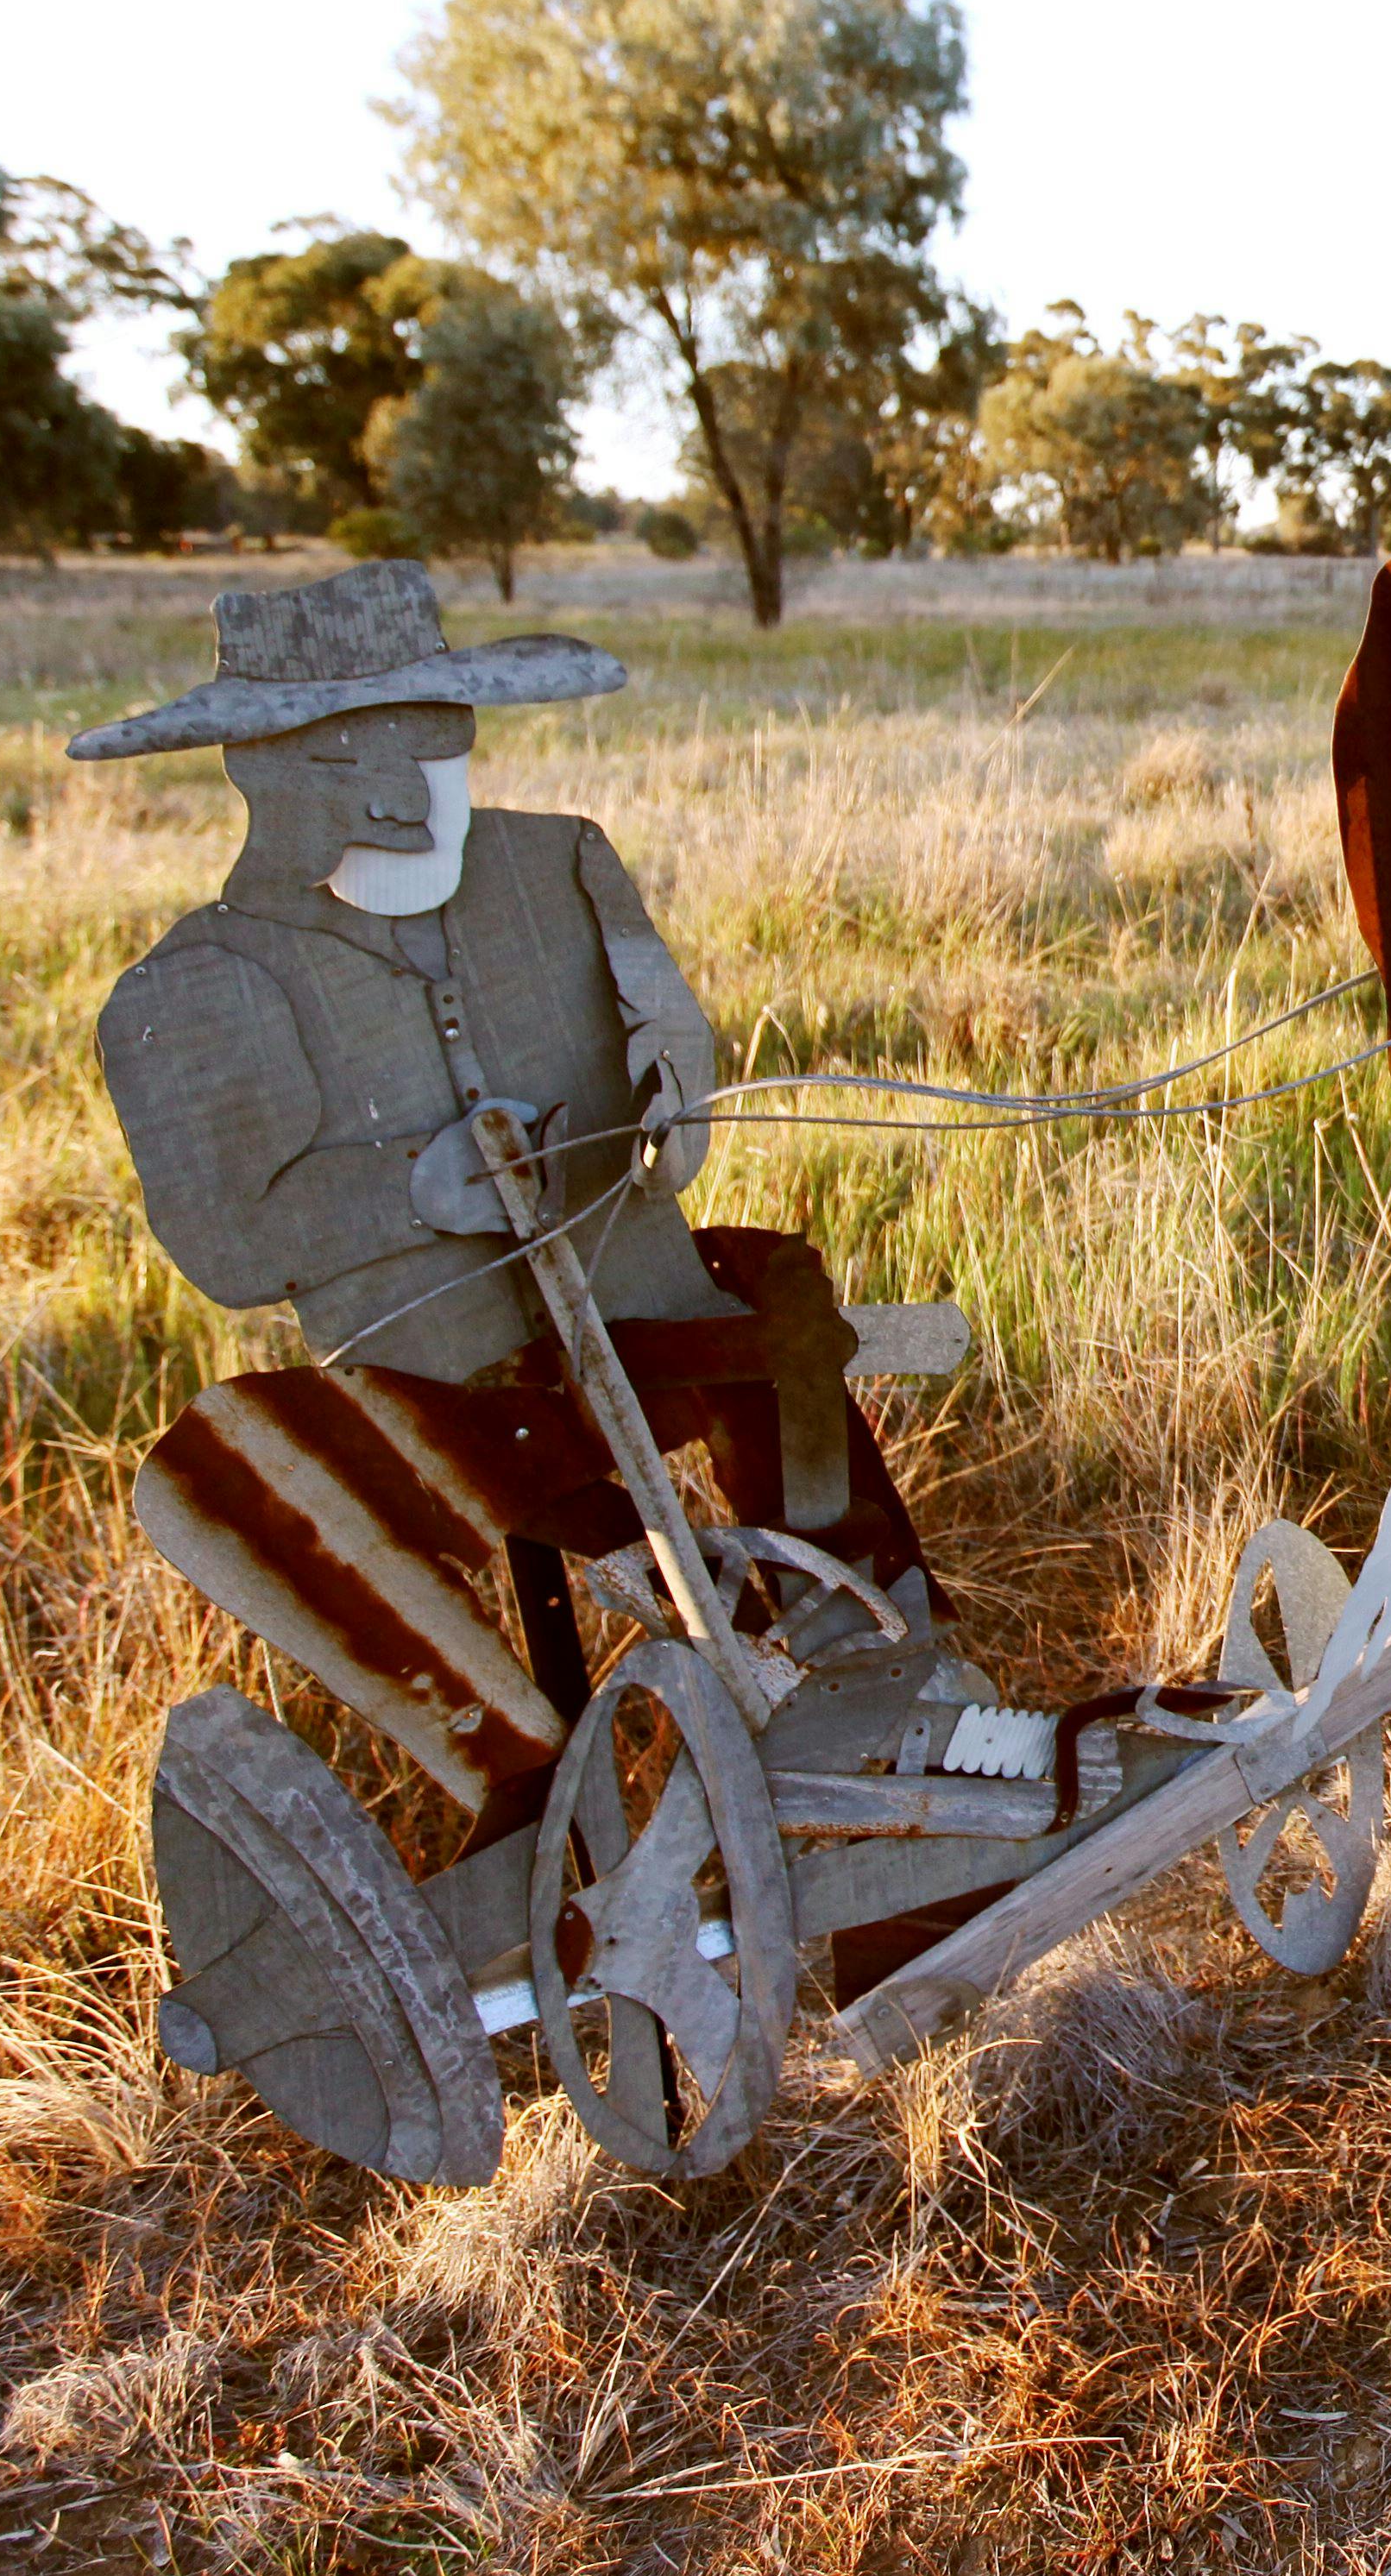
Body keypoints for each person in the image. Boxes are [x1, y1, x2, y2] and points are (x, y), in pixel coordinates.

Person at [71, 563, 921, 1852]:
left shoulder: (562, 865)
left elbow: (666, 1028)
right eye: (344, 751)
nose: (404, 787)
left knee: (777, 1295)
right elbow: (226, 1242)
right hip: (434, 1392)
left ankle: (867, 1654)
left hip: (646, 1318)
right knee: (214, 1466)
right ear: (255, 770)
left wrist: (669, 1078)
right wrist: (411, 1187)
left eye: (430, 739)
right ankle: (528, 1781)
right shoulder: (189, 990)